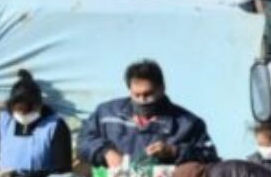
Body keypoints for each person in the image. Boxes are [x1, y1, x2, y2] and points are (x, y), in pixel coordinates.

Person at [77, 59, 218, 170]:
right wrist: (105, 152)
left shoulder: (186, 123)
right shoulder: (107, 114)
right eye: (136, 95)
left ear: (162, 89)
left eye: (148, 94)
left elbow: (209, 156)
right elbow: (84, 140)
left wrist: (174, 151)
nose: (142, 100)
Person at [0, 70, 73, 177]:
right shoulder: (3, 122)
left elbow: (63, 169)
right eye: (18, 110)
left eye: (28, 110)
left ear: (38, 105)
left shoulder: (55, 126)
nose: (23, 115)